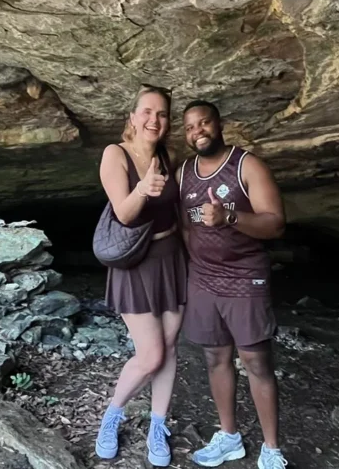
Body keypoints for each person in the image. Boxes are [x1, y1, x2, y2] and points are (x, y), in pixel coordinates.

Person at [177, 100, 288, 469]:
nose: (198, 131)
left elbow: (275, 224)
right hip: (203, 279)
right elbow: (184, 227)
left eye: (204, 123)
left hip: (245, 276)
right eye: (190, 127)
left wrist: (229, 217)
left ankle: (271, 449)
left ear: (219, 124)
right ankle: (229, 437)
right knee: (215, 357)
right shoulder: (183, 174)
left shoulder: (247, 165)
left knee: (256, 360)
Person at [94, 85, 187, 467]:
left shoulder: (169, 156)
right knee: (150, 355)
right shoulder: (114, 154)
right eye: (147, 111)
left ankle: (157, 426)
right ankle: (112, 415)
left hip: (172, 259)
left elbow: (179, 209)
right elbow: (124, 213)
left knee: (170, 348)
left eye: (162, 114)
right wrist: (143, 189)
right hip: (136, 263)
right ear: (132, 117)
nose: (154, 119)